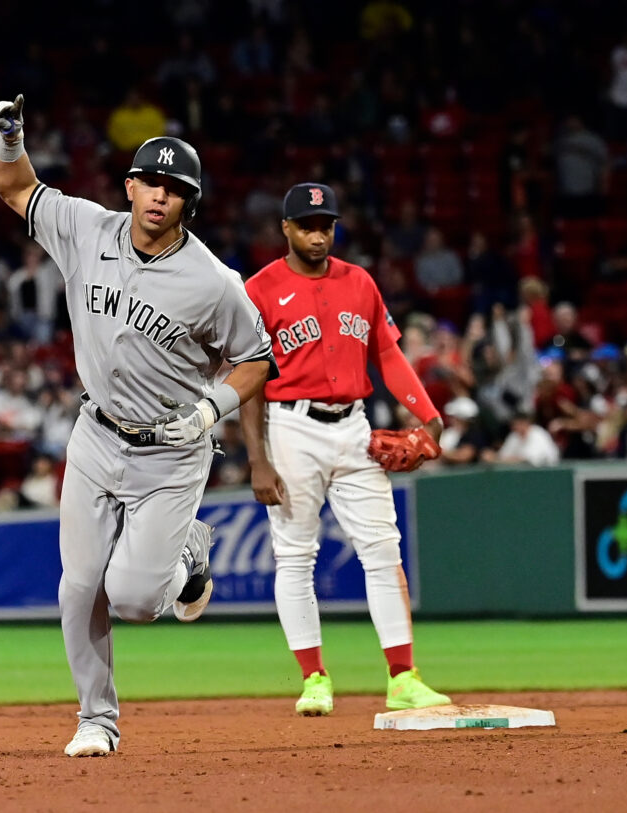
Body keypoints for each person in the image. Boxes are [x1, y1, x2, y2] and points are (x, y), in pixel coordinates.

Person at [0, 94, 275, 757]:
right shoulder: (86, 228)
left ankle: (187, 559)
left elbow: (257, 358)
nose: (158, 195)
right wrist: (10, 133)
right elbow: (13, 184)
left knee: (136, 598)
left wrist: (210, 411)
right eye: (150, 181)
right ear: (130, 185)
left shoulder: (213, 282)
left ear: (188, 204)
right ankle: (97, 718)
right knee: (78, 584)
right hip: (95, 434)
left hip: (173, 450)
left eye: (175, 189)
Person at [239, 182, 450, 718]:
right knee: (295, 556)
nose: (318, 234)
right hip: (291, 429)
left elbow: (388, 355)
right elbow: (248, 378)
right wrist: (257, 458)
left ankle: (403, 677)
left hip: (355, 426)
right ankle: (313, 678)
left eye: (326, 225)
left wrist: (427, 416)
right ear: (285, 228)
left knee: (383, 552)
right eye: (307, 225)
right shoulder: (261, 289)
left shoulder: (360, 282)